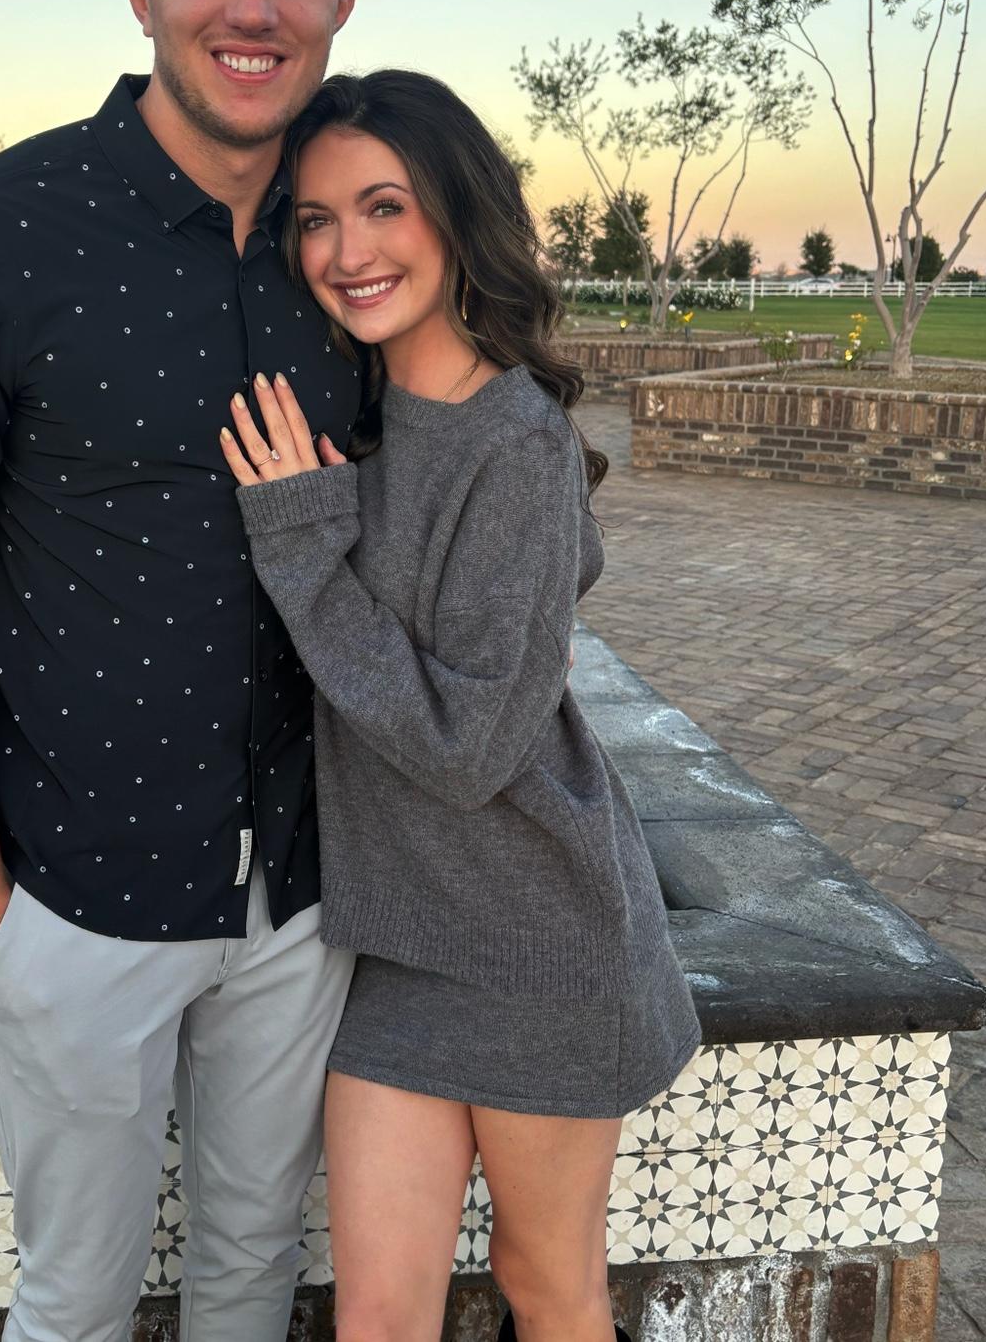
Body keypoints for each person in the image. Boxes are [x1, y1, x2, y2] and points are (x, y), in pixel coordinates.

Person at [0, 0, 365, 1338]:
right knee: (72, 1300)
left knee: (254, 1272)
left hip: (303, 898)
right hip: (76, 899)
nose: (251, 5)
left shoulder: (357, 244)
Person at [221, 70, 702, 1342]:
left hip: (536, 942)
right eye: (315, 220)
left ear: (455, 212)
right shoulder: (360, 413)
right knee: (379, 1317)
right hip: (392, 945)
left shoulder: (517, 442)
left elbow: (471, 744)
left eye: (384, 207)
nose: (348, 252)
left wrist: (303, 556)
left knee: (549, 1293)